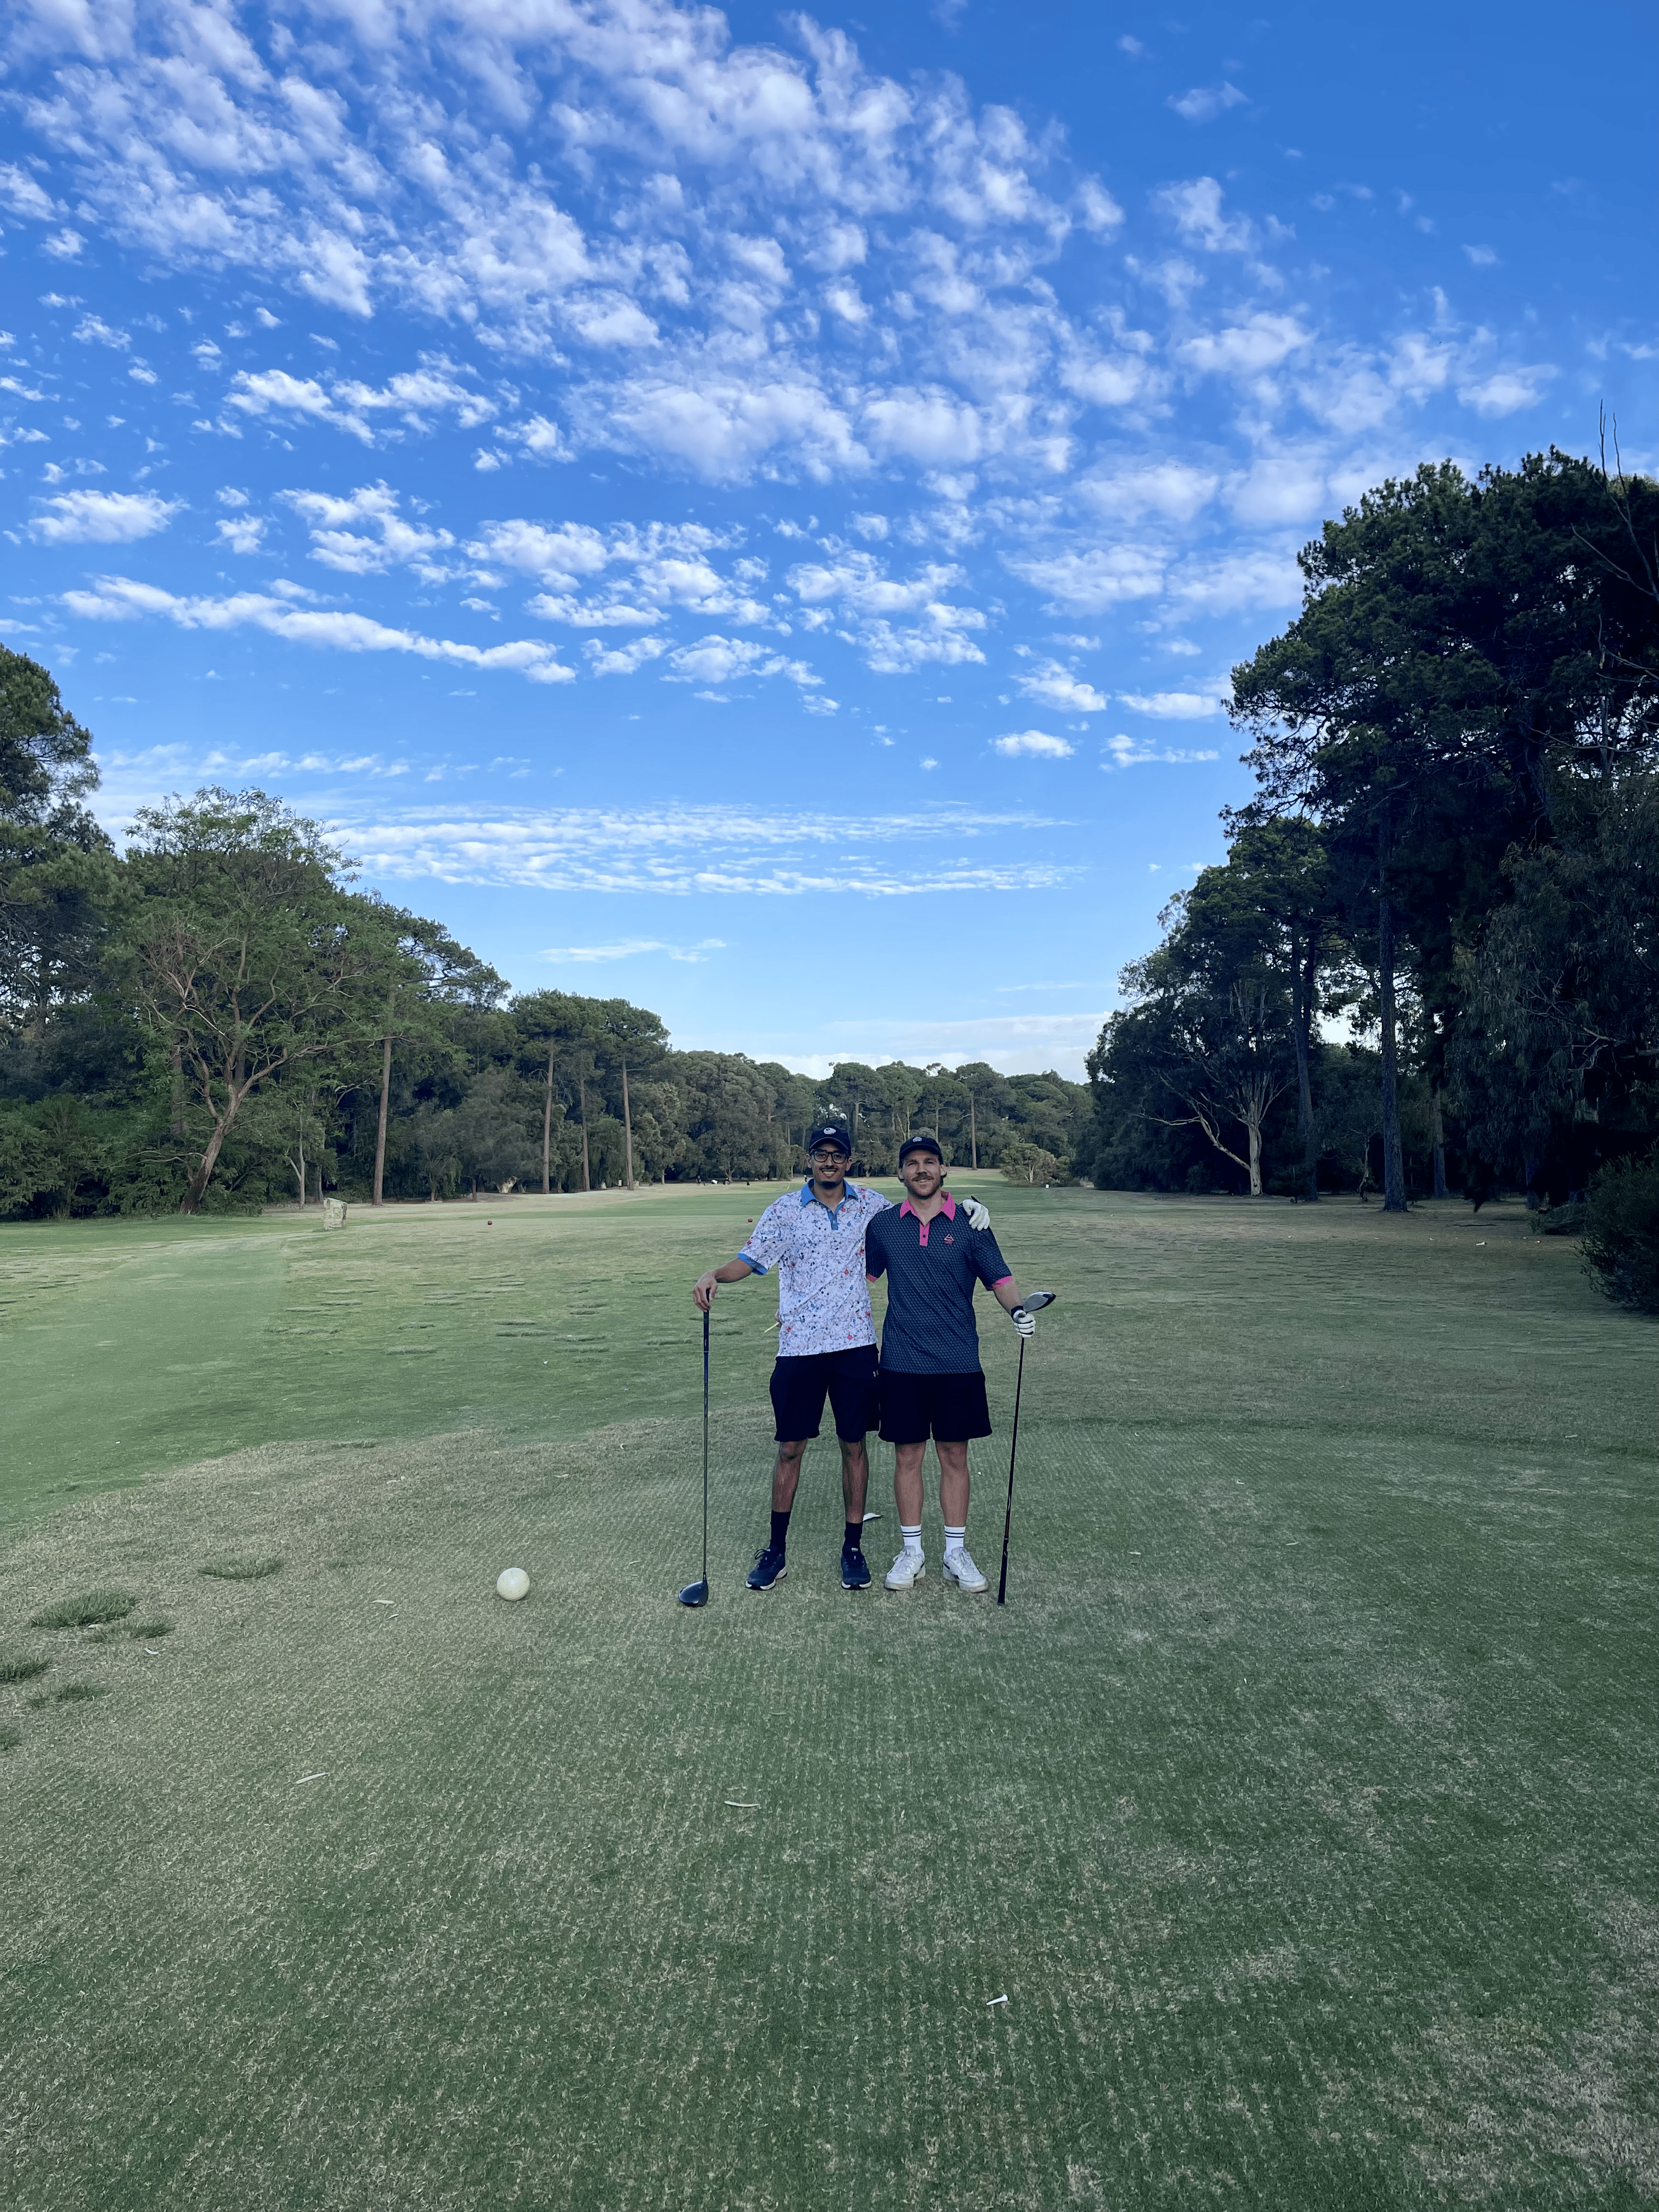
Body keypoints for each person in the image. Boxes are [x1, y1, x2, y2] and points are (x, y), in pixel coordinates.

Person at [692, 1124, 992, 1593]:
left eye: (837, 1154)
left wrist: (969, 1204)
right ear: (809, 1158)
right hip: (798, 1348)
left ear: (849, 1161)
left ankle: (852, 1548)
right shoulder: (785, 1210)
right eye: (821, 1153)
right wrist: (714, 1274)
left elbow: (925, 1202)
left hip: (855, 1347)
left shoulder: (872, 1206)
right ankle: (776, 1552)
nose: (829, 1161)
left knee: (854, 1445)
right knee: (791, 1448)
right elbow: (750, 1260)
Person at [862, 1133, 1037, 1594]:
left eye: (930, 1162)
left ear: (944, 1171)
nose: (921, 1170)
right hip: (901, 1361)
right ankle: (912, 1551)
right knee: (908, 1456)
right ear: (900, 1173)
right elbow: (861, 1278)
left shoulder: (970, 1223)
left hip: (958, 1361)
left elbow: (1000, 1278)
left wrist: (1017, 1310)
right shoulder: (882, 1226)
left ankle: (955, 1551)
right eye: (912, 1163)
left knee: (955, 1456)